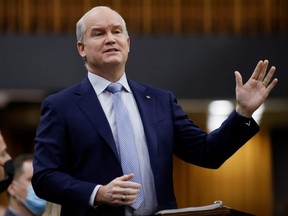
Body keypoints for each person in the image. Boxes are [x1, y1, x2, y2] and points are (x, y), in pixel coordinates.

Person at [32, 6, 278, 216]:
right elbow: (44, 178)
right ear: (81, 48)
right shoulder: (61, 105)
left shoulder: (160, 100)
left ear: (127, 43)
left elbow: (208, 153)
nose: (110, 38)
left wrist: (243, 114)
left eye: (117, 31)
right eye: (99, 33)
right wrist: (98, 193)